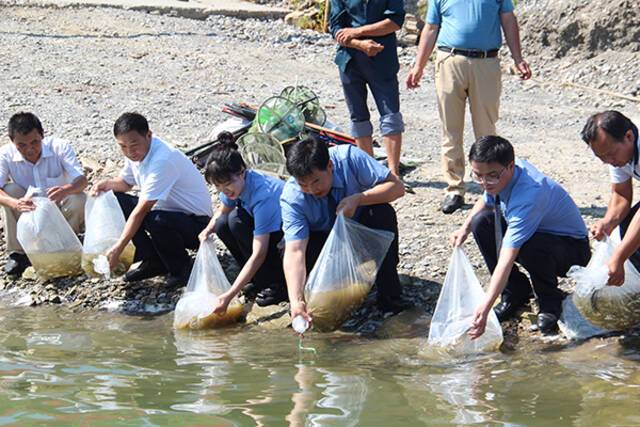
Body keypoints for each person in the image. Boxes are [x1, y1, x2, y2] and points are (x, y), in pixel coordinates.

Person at [450, 136, 590, 335]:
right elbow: (486, 198)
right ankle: (515, 292)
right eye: (477, 175)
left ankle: (550, 301)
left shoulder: (529, 195)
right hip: (539, 233)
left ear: (510, 166)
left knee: (529, 245)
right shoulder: (501, 175)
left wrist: (486, 306)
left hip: (572, 250)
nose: (484, 182)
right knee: (480, 222)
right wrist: (464, 228)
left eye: (491, 176)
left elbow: (508, 256)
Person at [406, 0, 532, 214]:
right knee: (450, 129)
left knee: (486, 130)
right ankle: (454, 188)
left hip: (486, 60)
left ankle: (493, 187)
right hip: (449, 59)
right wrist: (419, 65)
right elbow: (431, 27)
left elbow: (508, 20)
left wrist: (518, 58)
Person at [281, 136, 406, 325]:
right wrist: (295, 300)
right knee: (288, 251)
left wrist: (358, 199)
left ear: (330, 166)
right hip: (324, 243)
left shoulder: (350, 158)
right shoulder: (291, 197)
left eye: (316, 181)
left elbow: (397, 188)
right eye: (303, 185)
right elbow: (295, 251)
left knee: (382, 213)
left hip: (361, 231)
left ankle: (390, 297)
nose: (312, 189)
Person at [92, 113, 212, 287]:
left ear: (149, 135)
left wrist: (119, 247)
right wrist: (105, 185)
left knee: (155, 220)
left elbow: (142, 210)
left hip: (197, 226)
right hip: (165, 212)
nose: (129, 152)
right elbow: (125, 183)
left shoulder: (162, 159)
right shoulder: (135, 155)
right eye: (122, 146)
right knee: (115, 200)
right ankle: (154, 260)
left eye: (134, 145)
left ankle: (181, 268)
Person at [198, 141, 287, 310]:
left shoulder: (263, 195)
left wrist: (229, 295)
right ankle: (256, 279)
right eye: (218, 186)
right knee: (222, 224)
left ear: (241, 172)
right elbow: (222, 211)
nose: (224, 190)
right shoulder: (234, 188)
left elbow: (259, 253)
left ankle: (277, 282)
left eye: (227, 184)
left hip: (284, 237)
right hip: (264, 229)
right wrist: (207, 230)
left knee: (235, 221)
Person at [0, 112, 88, 276]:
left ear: (42, 135)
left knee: (79, 198)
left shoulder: (59, 147)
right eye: (22, 145)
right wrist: (15, 203)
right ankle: (18, 253)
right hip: (28, 211)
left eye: (34, 142)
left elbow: (82, 181)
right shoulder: (5, 154)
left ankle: (64, 246)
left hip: (58, 209)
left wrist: (65, 190)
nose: (30, 149)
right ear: (12, 141)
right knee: (9, 192)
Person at [328, 0, 405, 178]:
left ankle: (393, 173)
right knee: (358, 117)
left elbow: (394, 21)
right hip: (349, 60)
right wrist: (360, 45)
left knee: (390, 115)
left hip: (382, 59)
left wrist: (358, 31)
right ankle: (370, 172)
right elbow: (335, 28)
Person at [580, 111, 640, 285]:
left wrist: (619, 257)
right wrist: (607, 222)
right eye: (601, 157)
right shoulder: (618, 153)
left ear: (628, 136)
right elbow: (621, 194)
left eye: (610, 154)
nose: (609, 161)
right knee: (627, 231)